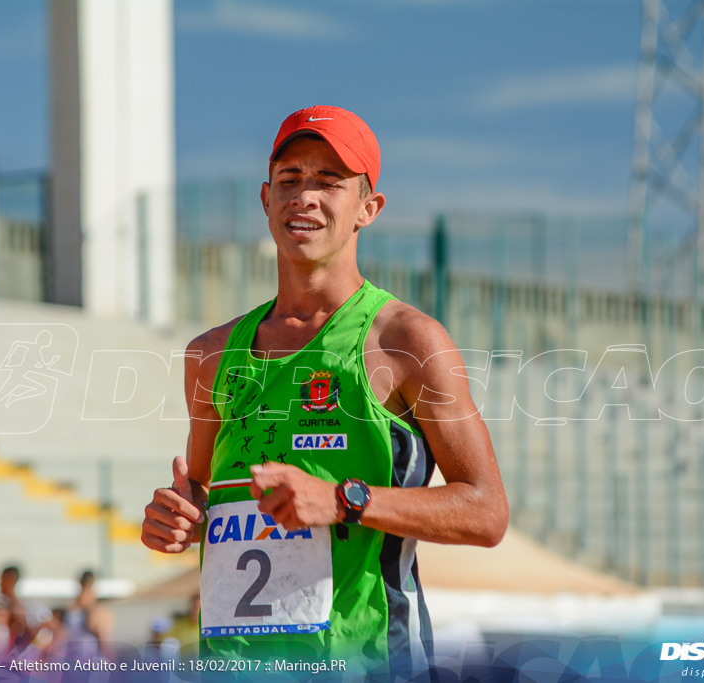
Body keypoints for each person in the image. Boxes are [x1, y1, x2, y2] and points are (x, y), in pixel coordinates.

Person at [141, 105, 508, 677]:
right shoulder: (209, 355)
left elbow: (487, 513)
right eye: (290, 179)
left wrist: (345, 501)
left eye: (329, 182)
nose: (305, 196)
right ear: (266, 199)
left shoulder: (407, 340)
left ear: (368, 208)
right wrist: (182, 522)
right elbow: (208, 500)